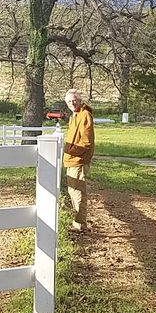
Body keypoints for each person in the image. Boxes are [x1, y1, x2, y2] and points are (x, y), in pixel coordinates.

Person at [62, 88, 94, 232]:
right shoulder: (74, 116)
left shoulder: (84, 115)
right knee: (73, 191)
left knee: (78, 192)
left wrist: (69, 151)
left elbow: (86, 142)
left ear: (80, 100)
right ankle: (78, 222)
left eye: (74, 100)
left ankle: (80, 225)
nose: (72, 103)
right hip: (72, 160)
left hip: (78, 160)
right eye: (69, 101)